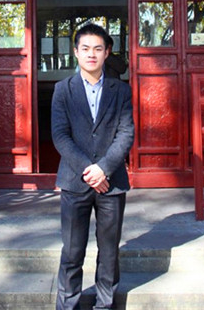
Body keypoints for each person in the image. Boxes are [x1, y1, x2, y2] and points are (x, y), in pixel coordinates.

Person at [51, 23, 134, 310]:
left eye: (98, 49)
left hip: (111, 182)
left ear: (107, 52)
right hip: (75, 182)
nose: (91, 54)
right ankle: (67, 305)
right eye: (85, 48)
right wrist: (90, 170)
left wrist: (104, 169)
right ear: (76, 52)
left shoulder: (121, 91)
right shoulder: (63, 90)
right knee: (72, 251)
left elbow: (126, 133)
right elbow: (60, 135)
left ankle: (104, 305)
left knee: (109, 252)